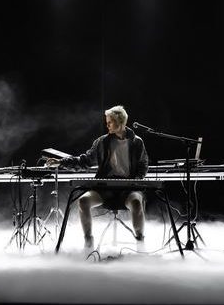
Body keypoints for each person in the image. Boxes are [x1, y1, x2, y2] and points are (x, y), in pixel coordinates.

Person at [47, 105, 149, 250]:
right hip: (105, 188)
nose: (107, 125)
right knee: (83, 201)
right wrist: (61, 162)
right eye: (107, 122)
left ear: (120, 122)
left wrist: (137, 180)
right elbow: (85, 161)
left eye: (110, 122)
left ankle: (140, 243)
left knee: (136, 203)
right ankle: (88, 242)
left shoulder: (137, 142)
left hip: (128, 188)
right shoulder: (102, 142)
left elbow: (143, 165)